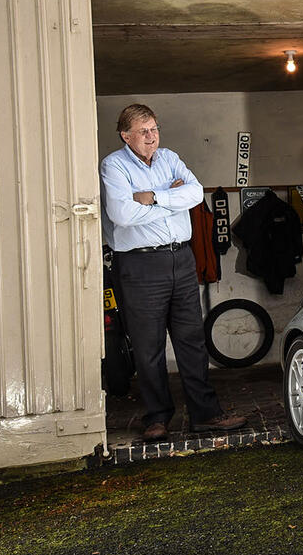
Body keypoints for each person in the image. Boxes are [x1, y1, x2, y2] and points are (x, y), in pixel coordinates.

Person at [100, 104, 247, 442]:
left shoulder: (169, 158)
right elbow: (122, 214)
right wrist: (172, 199)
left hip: (181, 257)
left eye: (154, 128)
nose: (151, 136)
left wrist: (152, 198)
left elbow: (194, 194)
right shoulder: (114, 165)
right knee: (148, 345)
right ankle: (157, 417)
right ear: (126, 136)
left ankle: (206, 415)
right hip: (139, 264)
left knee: (191, 340)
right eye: (143, 131)